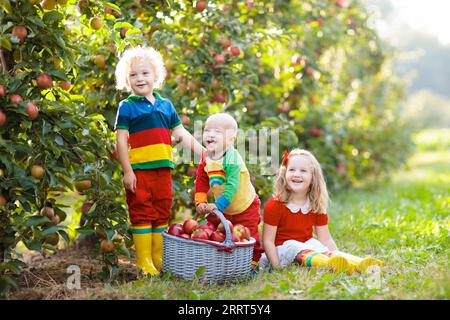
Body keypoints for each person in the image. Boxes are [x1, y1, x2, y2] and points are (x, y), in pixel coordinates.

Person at [114, 45, 204, 276]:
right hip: (140, 171)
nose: (139, 78)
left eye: (144, 73)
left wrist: (203, 153)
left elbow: (181, 133)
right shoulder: (127, 107)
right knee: (142, 212)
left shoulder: (166, 105)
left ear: (156, 76)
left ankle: (158, 258)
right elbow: (121, 141)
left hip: (163, 170)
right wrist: (127, 171)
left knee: (162, 211)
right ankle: (144, 261)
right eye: (133, 75)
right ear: (127, 80)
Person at [260, 148, 385, 274]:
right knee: (295, 246)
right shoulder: (275, 205)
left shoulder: (315, 204)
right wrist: (276, 266)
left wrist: (336, 254)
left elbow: (325, 239)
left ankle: (358, 263)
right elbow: (268, 241)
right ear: (284, 174)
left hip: (307, 248)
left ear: (313, 177)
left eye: (303, 171)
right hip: (280, 251)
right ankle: (328, 264)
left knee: (320, 247)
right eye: (292, 170)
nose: (296, 174)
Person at [194, 113, 263, 268]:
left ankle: (253, 263)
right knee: (213, 228)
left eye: (217, 132)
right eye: (207, 130)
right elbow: (201, 180)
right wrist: (201, 201)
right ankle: (214, 257)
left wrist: (218, 205)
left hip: (245, 206)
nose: (210, 134)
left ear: (231, 139)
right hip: (224, 206)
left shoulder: (231, 158)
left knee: (248, 234)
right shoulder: (206, 157)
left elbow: (232, 187)